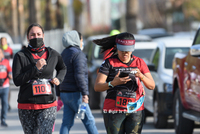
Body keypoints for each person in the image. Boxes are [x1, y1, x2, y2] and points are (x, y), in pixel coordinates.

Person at [93, 32, 155, 134]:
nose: (125, 53)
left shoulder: (140, 62)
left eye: (128, 50)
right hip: (113, 109)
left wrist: (141, 76)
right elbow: (97, 87)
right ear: (116, 47)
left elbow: (151, 86)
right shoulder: (109, 63)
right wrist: (112, 83)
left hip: (135, 108)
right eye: (122, 50)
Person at [12, 23, 67, 134]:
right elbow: (17, 80)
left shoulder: (53, 54)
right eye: (32, 35)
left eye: (38, 34)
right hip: (26, 105)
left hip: (48, 104)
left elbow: (63, 68)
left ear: (43, 36)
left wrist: (59, 79)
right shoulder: (20, 56)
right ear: (27, 37)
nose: (36, 37)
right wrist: (35, 69)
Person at [58, 30, 98, 134]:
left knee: (66, 123)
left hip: (64, 94)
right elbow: (80, 75)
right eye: (81, 39)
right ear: (76, 40)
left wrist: (58, 93)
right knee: (89, 121)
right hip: (76, 94)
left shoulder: (63, 54)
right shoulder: (78, 54)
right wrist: (85, 93)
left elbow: (58, 74)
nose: (82, 42)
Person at [0, 37, 13, 111]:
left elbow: (12, 59)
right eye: (1, 41)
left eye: (4, 41)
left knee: (8, 88)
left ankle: (7, 103)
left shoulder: (10, 49)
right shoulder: (0, 49)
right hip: (1, 68)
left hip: (7, 69)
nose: (3, 43)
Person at [0, 48, 12, 127]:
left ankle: (3, 119)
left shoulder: (6, 62)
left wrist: (10, 74)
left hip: (5, 86)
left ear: (2, 54)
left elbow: (10, 70)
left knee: (5, 104)